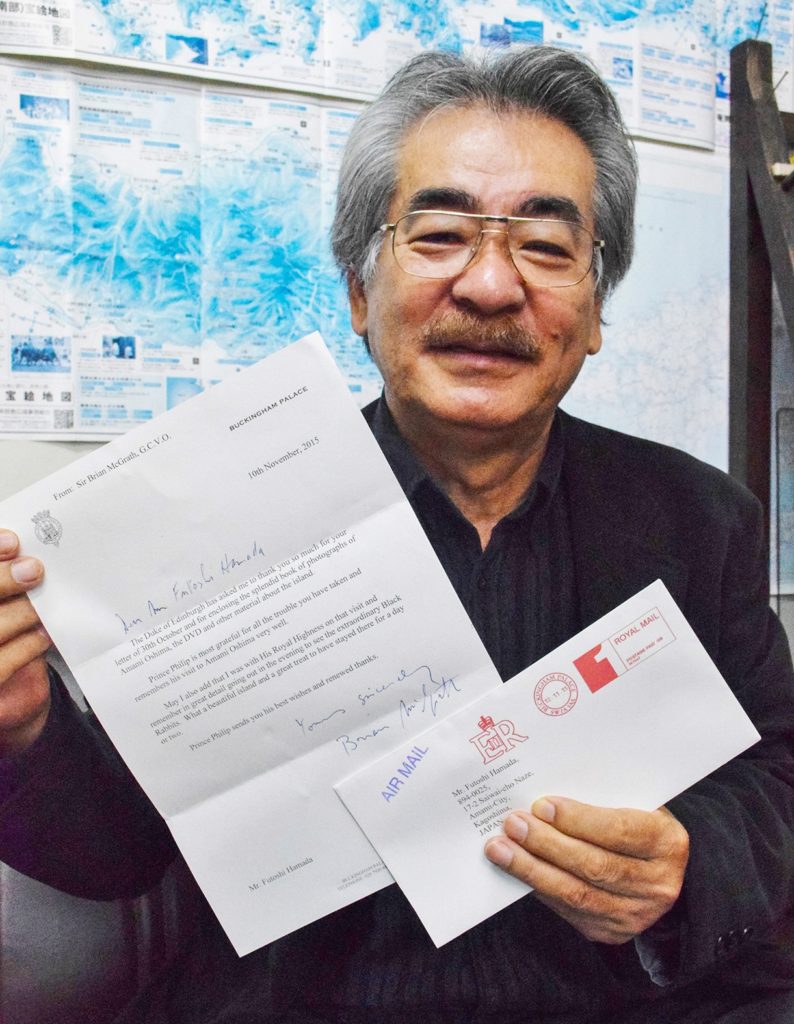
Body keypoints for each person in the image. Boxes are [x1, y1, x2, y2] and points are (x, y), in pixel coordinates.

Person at [1, 45, 794, 1024]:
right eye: (440, 235)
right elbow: (117, 856)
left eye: (547, 248)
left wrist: (687, 863)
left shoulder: (700, 519)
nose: (491, 286)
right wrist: (23, 729)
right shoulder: (218, 520)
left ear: (593, 313)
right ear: (357, 293)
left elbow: (775, 774)